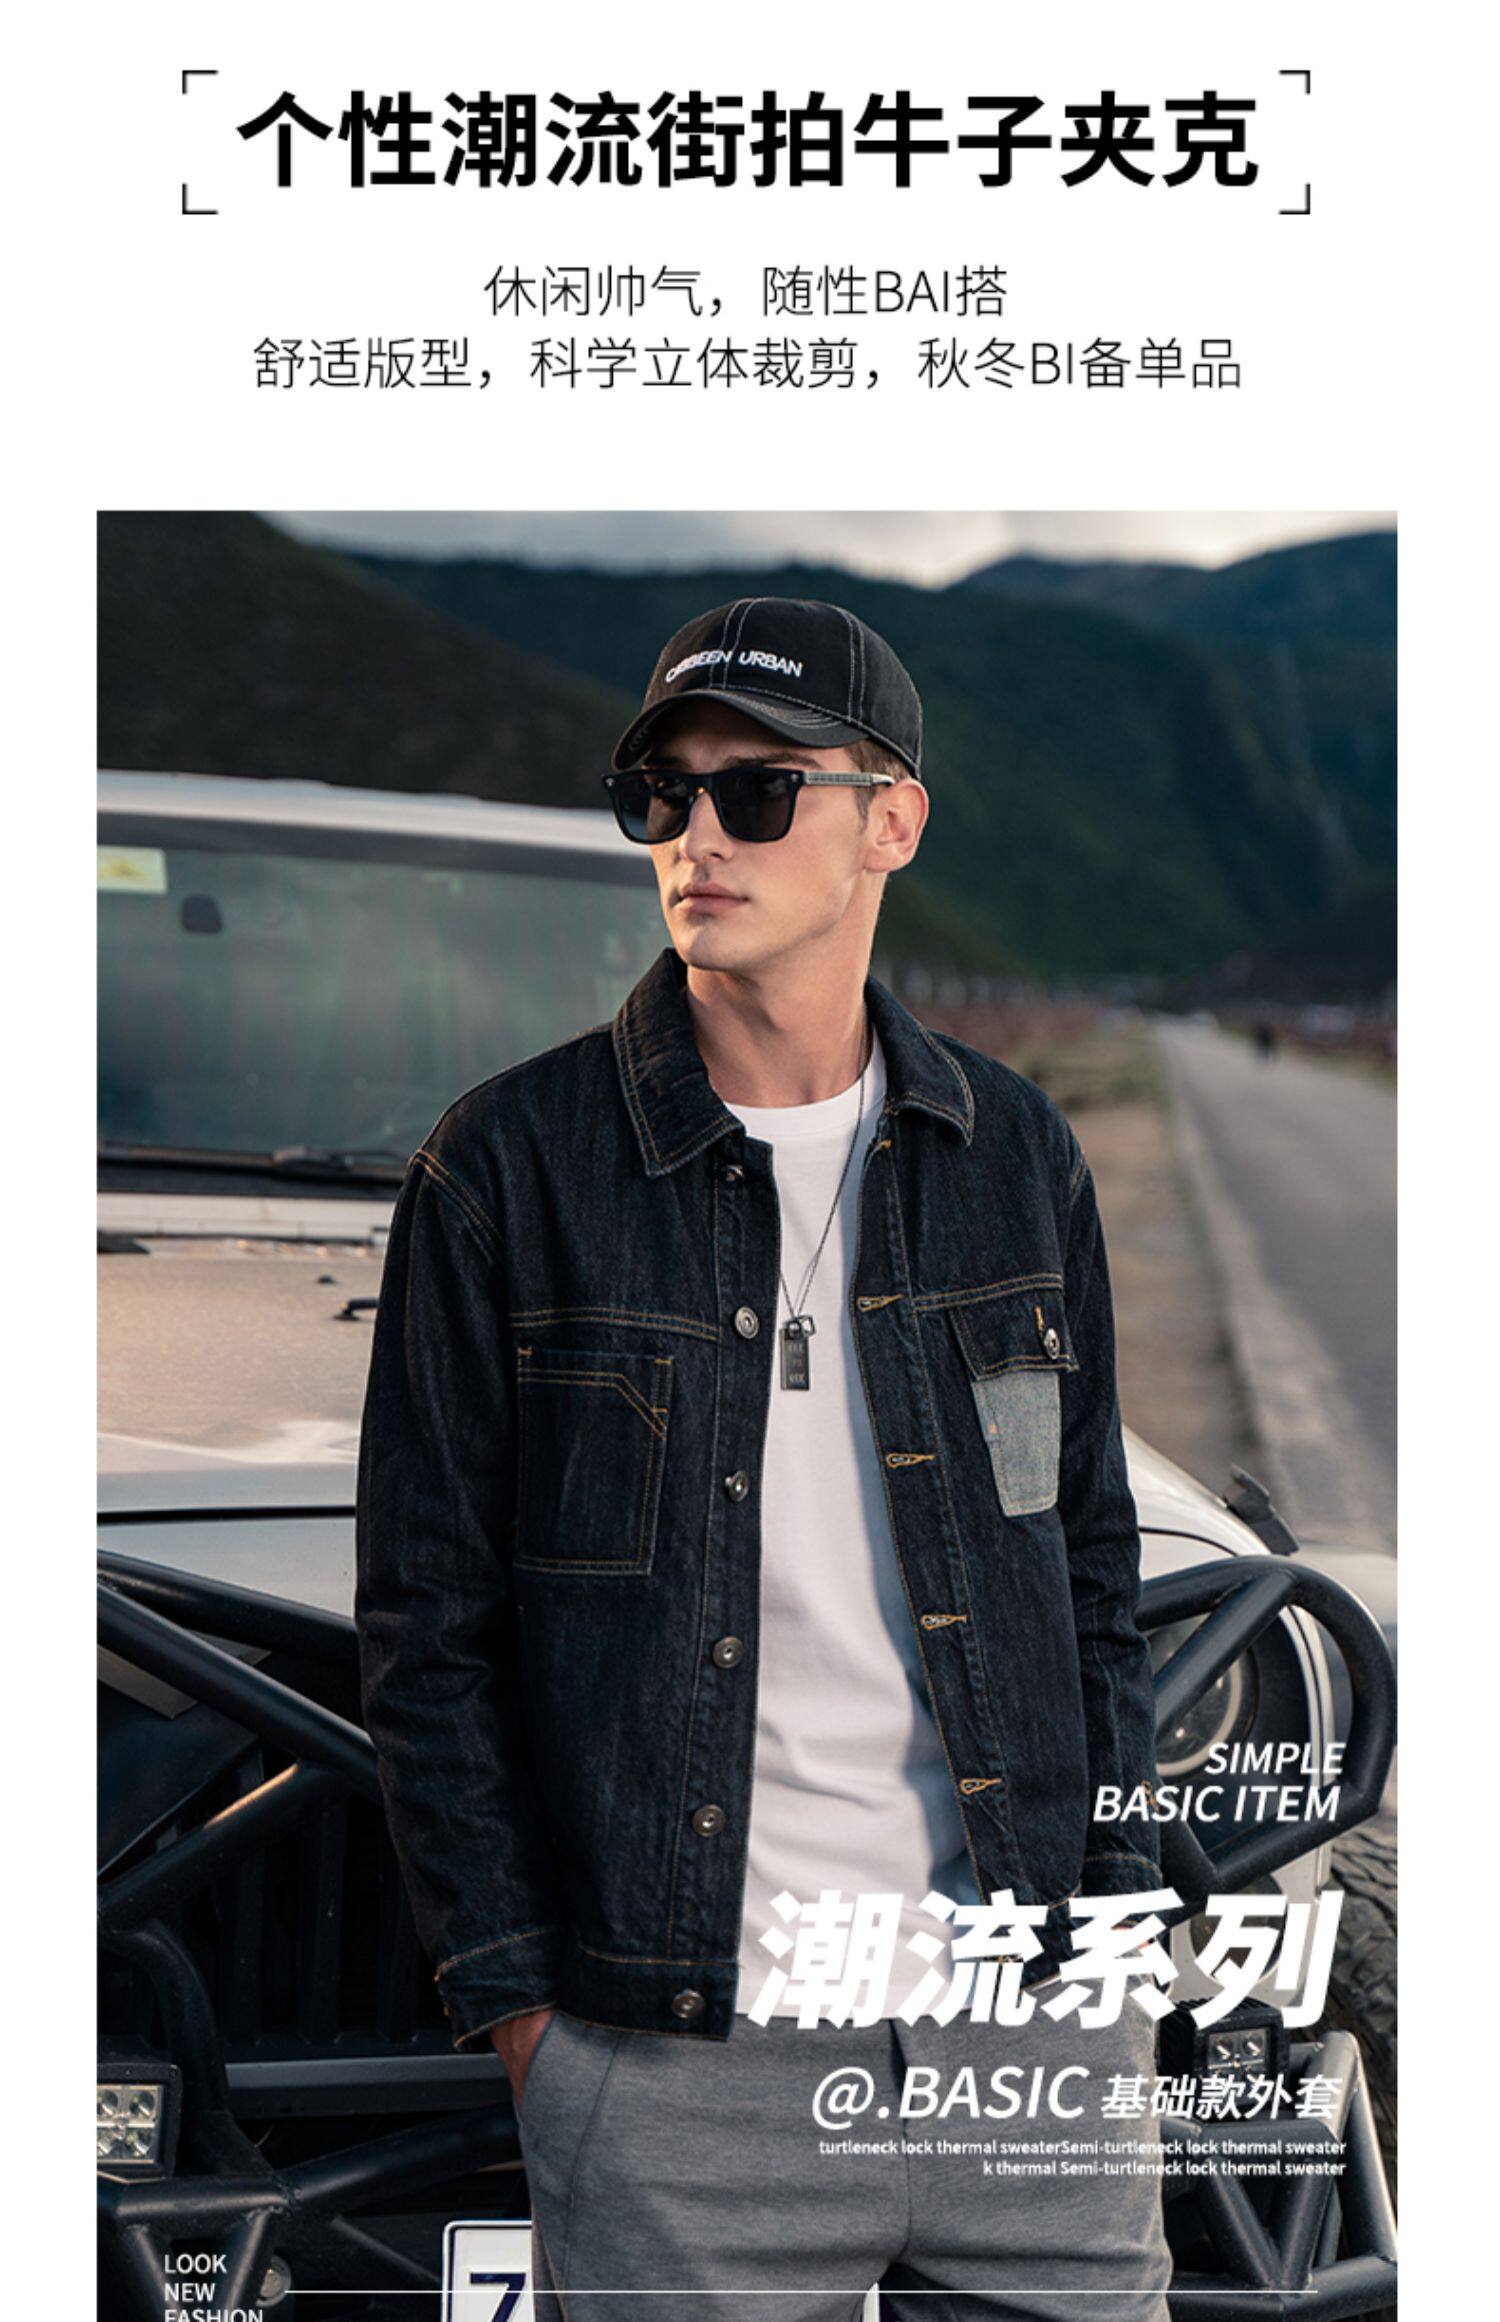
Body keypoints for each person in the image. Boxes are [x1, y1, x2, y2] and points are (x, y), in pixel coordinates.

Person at [356, 597, 1172, 2319]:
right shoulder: (506, 1169)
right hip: (679, 2062)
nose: (698, 835)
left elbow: (1087, 1569)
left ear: (892, 821)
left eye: (758, 789)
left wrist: (1112, 1930)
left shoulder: (1012, 1153)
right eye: (664, 793)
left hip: (1027, 2041)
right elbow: (427, 1633)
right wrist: (534, 2025)